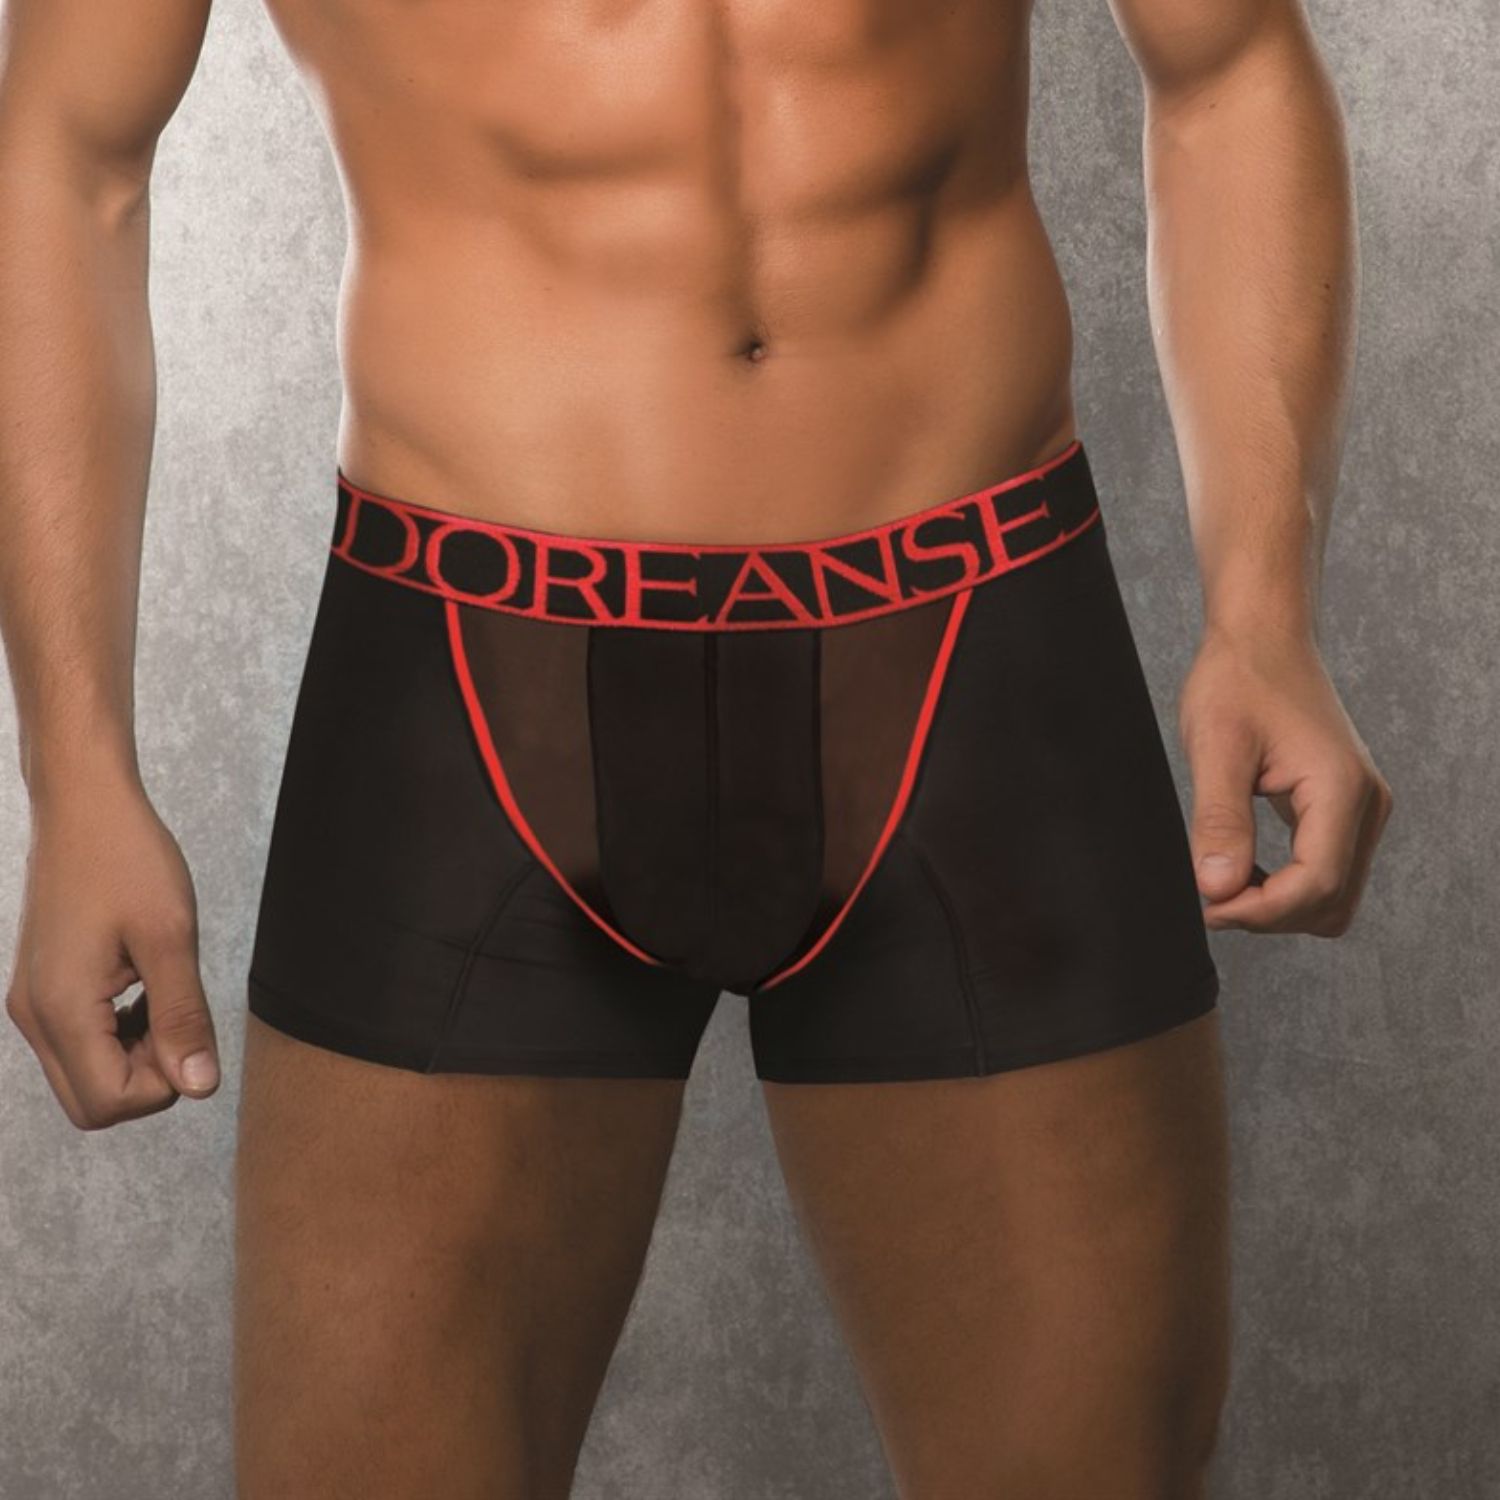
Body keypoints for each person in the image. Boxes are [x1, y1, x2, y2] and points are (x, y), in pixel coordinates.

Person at [0, 0, 1392, 1493]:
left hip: (980, 651)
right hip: (467, 678)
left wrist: (1264, 615)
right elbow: (68, 161)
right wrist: (75, 773)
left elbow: (1229, 65)